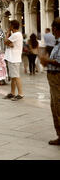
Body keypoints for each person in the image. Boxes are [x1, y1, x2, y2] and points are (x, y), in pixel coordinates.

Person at [39, 18, 60, 146]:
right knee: (55, 105)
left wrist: (46, 60)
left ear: (56, 29)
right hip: (54, 77)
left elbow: (59, 61)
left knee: (57, 106)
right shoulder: (57, 43)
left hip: (57, 77)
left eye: (53, 28)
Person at [3, 20, 24, 101]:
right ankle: (12, 93)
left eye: (9, 25)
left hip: (14, 58)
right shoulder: (15, 35)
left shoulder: (16, 34)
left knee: (16, 76)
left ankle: (20, 94)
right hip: (12, 58)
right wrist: (9, 43)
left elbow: (5, 41)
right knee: (13, 77)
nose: (9, 27)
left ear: (12, 26)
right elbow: (10, 44)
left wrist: (7, 34)